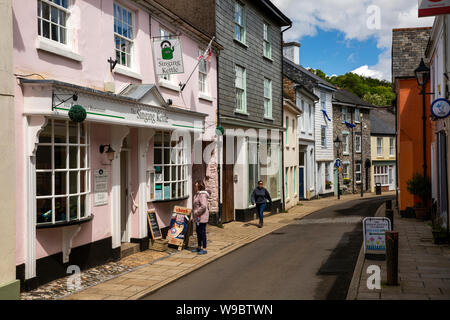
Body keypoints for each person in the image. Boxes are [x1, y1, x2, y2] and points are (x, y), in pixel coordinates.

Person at [192, 180, 209, 254]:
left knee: (202, 232)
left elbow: (204, 206)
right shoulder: (197, 194)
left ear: (199, 186)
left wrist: (196, 212)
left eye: (196, 186)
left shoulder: (202, 195)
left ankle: (204, 248)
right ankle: (199, 247)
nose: (195, 187)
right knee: (198, 232)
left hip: (202, 216)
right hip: (198, 217)